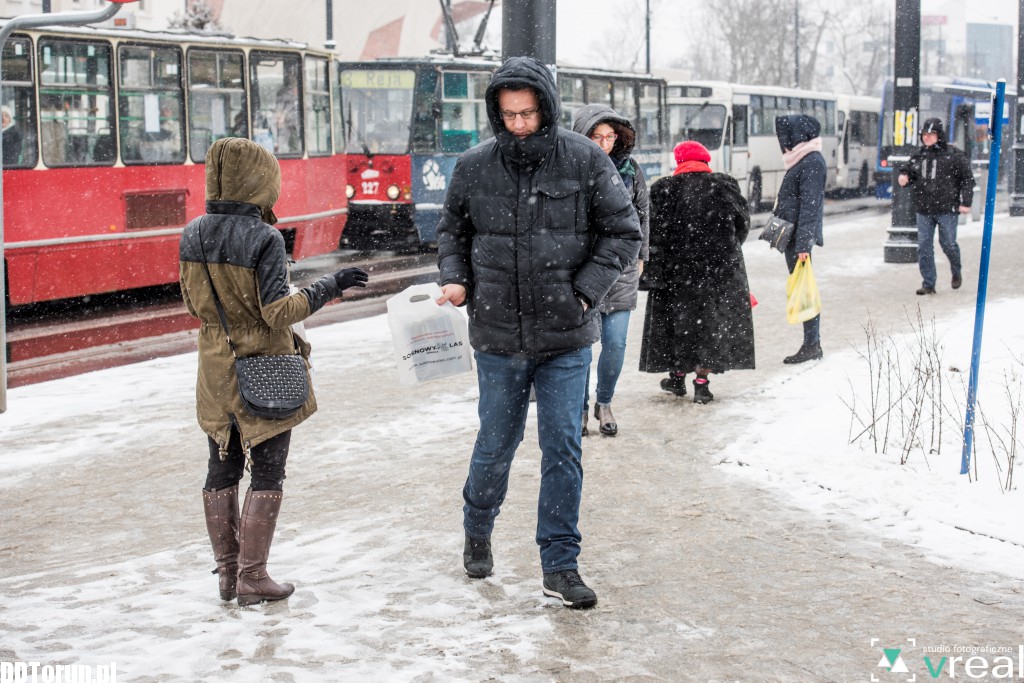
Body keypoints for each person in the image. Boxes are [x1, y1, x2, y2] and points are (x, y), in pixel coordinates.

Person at [435, 56, 641, 609]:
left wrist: (583, 293)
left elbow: (623, 234)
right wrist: (455, 280)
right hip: (498, 336)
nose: (519, 124)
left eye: (527, 113)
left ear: (545, 108)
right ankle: (477, 528)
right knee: (496, 445)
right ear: (495, 114)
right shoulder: (475, 165)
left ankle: (560, 563)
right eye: (508, 115)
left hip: (567, 336)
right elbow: (451, 232)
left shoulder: (585, 160)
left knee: (563, 449)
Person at [179, 137, 369, 606]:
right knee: (267, 471)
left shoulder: (193, 232)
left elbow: (191, 304)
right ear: (260, 181)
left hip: (215, 367)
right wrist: (330, 285)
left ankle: (227, 576)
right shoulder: (262, 237)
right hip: (263, 365)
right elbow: (277, 313)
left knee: (220, 467)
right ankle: (253, 575)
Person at [639, 141, 754, 402]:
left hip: (676, 274)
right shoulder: (724, 186)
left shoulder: (664, 189)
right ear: (706, 160)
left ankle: (677, 379)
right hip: (717, 273)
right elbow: (742, 225)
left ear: (678, 161)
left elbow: (652, 232)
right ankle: (702, 384)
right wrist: (725, 252)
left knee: (678, 325)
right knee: (710, 326)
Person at [570, 104, 650, 436]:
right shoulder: (570, 169)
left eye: (610, 137)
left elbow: (643, 212)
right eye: (597, 137)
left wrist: (642, 253)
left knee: (615, 343)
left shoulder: (631, 170)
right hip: (582, 270)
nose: (604, 144)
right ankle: (580, 409)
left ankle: (604, 402)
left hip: (621, 268)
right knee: (581, 347)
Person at [896, 117, 974, 296]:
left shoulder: (954, 155)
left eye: (931, 134)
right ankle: (929, 283)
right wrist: (904, 177)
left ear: (939, 135)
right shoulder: (919, 154)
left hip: (947, 208)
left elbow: (967, 180)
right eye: (924, 134)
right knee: (924, 246)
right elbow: (909, 170)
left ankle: (956, 270)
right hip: (924, 208)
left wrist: (965, 202)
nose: (927, 138)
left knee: (948, 243)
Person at [774, 114, 826, 364]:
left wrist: (804, 244)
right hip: (795, 236)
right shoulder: (803, 159)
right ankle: (811, 343)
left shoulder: (811, 161)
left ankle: (812, 344)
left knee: (804, 290)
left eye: (787, 139)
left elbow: (810, 206)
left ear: (798, 136)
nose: (784, 145)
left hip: (799, 239)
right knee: (802, 288)